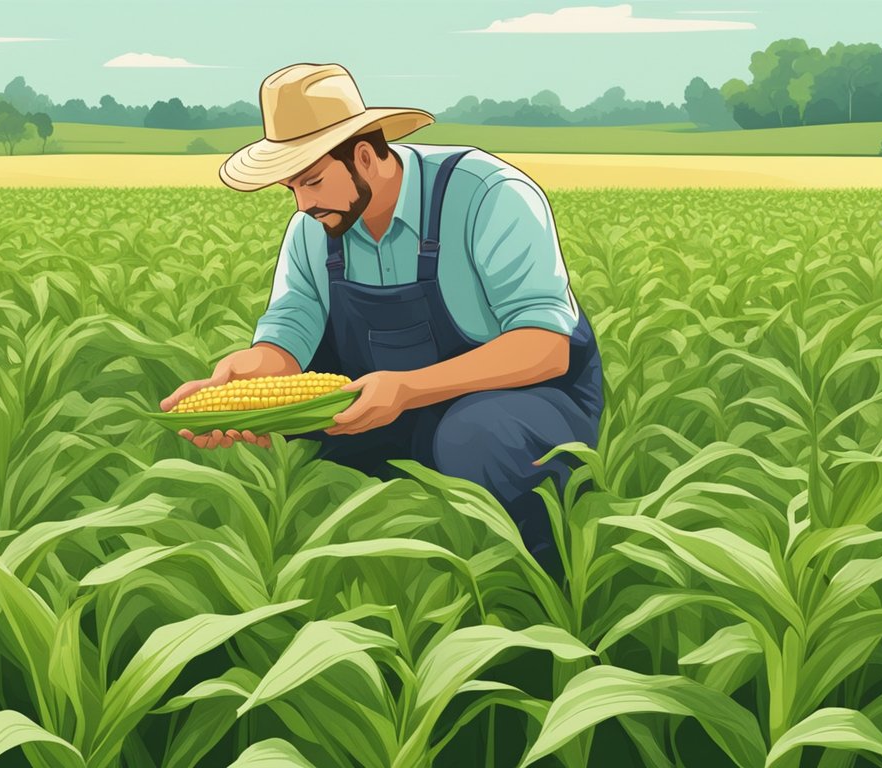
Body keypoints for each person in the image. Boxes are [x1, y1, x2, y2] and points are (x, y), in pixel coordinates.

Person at [159, 63, 604, 582]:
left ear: (365, 157)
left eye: (313, 181)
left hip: (522, 397)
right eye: (292, 188)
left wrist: (408, 389)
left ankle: (536, 591)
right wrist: (253, 371)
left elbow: (544, 346)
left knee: (475, 437)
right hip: (380, 399)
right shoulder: (315, 227)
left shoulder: (488, 193)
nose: (303, 205)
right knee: (307, 471)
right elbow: (289, 330)